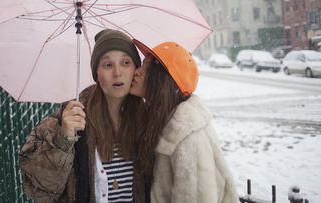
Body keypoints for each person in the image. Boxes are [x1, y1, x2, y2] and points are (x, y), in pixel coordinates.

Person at [18, 29, 150, 203]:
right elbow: (40, 189)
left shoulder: (148, 120)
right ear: (96, 73)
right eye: (107, 65)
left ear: (136, 69)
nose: (117, 72)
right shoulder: (69, 118)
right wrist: (63, 139)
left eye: (125, 62)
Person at [130, 39, 238, 203]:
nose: (137, 71)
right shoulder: (160, 118)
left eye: (147, 68)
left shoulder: (187, 135)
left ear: (164, 81)